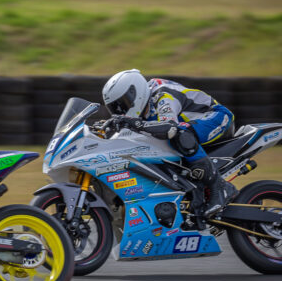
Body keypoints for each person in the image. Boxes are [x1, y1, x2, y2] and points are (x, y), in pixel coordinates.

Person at [101, 69, 237, 216]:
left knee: (179, 133)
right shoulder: (144, 105)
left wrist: (133, 123)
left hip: (216, 117)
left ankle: (220, 187)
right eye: (115, 107)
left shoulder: (162, 95)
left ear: (135, 92)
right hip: (189, 127)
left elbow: (170, 129)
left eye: (123, 104)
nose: (120, 111)